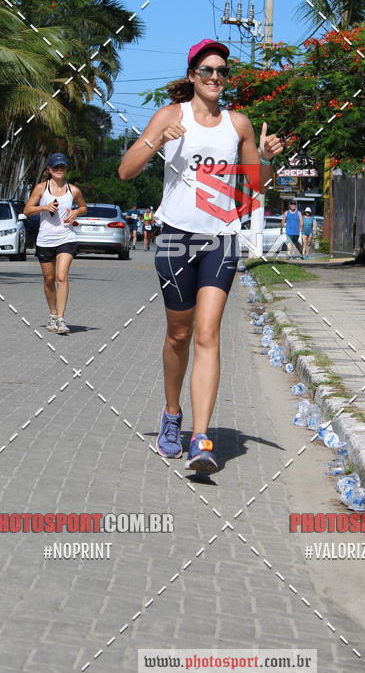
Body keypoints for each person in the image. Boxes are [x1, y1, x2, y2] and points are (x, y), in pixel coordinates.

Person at [118, 39, 283, 473]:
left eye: (221, 71)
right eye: (207, 70)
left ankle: (201, 438)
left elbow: (257, 185)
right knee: (179, 335)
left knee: (208, 334)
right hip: (176, 237)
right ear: (192, 75)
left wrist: (267, 160)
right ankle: (172, 415)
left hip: (221, 239)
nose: (215, 77)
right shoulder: (170, 115)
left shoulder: (239, 124)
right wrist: (157, 140)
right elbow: (126, 170)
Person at [23, 152, 87, 335]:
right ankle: (52, 314)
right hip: (45, 240)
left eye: (62, 167)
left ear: (66, 169)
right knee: (49, 280)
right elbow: (27, 210)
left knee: (61, 277)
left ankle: (61, 319)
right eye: (56, 167)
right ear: (49, 170)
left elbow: (84, 207)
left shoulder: (73, 190)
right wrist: (44, 207)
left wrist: (76, 212)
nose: (59, 169)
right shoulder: (41, 188)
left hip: (66, 238)